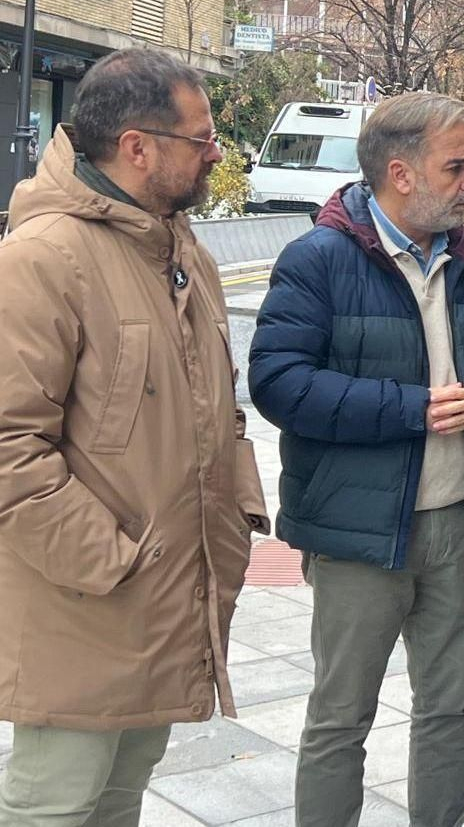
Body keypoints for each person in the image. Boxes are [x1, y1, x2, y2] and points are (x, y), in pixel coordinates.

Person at [0, 48, 269, 824]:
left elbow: (212, 409)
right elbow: (10, 453)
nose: (217, 152)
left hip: (165, 598)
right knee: (53, 805)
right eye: (202, 137)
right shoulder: (43, 259)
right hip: (83, 604)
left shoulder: (181, 250)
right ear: (137, 147)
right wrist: (115, 561)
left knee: (119, 800)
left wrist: (234, 510)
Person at [248, 92, 464, 827]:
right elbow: (278, 382)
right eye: (457, 167)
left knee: (449, 709)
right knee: (341, 717)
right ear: (400, 174)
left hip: (457, 525)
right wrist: (409, 408)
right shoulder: (318, 260)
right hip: (356, 534)